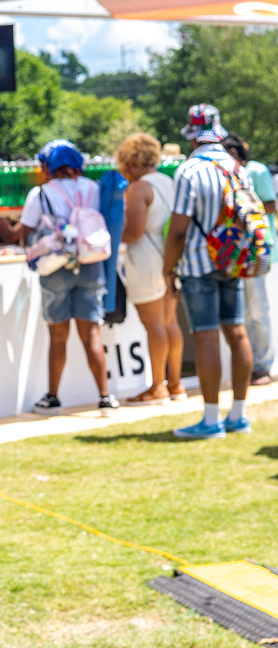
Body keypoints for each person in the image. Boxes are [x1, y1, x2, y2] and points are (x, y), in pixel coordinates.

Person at [0, 140, 117, 412]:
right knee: (91, 335)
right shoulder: (94, 188)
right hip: (91, 264)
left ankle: (52, 397)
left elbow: (22, 235)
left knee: (58, 336)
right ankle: (106, 397)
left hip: (56, 267)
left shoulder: (41, 194)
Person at [164, 104, 253, 439]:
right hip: (234, 261)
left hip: (199, 265)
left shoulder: (189, 171)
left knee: (206, 336)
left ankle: (211, 420)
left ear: (192, 135)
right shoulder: (236, 167)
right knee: (237, 332)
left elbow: (177, 230)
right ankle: (239, 415)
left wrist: (167, 269)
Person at [115, 133, 185, 404]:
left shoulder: (139, 188)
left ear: (131, 161)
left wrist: (106, 234)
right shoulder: (168, 181)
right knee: (170, 321)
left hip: (145, 260)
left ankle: (157, 387)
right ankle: (175, 383)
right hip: (169, 257)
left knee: (153, 324)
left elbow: (133, 231)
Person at [222, 133, 276, 386]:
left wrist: (244, 208)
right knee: (241, 312)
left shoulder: (255, 170)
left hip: (256, 252)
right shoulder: (226, 175)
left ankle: (263, 365)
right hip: (234, 254)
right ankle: (250, 365)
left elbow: (271, 205)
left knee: (258, 309)